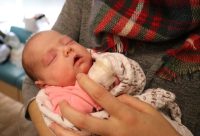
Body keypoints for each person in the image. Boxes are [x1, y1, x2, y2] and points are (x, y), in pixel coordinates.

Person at [22, 0, 200, 136]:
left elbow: (128, 74)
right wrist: (51, 130)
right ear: (44, 85)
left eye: (69, 42)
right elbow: (32, 78)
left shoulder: (101, 61)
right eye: (53, 57)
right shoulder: (52, 95)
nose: (67, 48)